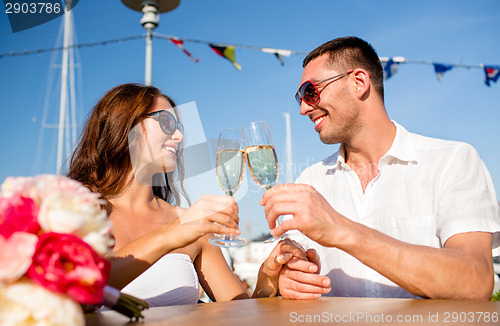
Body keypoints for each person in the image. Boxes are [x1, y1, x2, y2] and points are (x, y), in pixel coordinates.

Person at [262, 36, 500, 301]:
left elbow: (476, 283)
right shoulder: (310, 180)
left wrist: (342, 230)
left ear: (359, 82)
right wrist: (282, 276)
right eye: (300, 98)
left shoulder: (452, 161)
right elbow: (275, 276)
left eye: (310, 91)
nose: (304, 108)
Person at [67, 83, 316, 306]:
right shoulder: (73, 209)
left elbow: (239, 313)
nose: (179, 136)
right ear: (125, 126)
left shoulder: (192, 225)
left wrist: (267, 278)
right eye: (167, 123)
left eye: (179, 126)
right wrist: (172, 234)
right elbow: (74, 291)